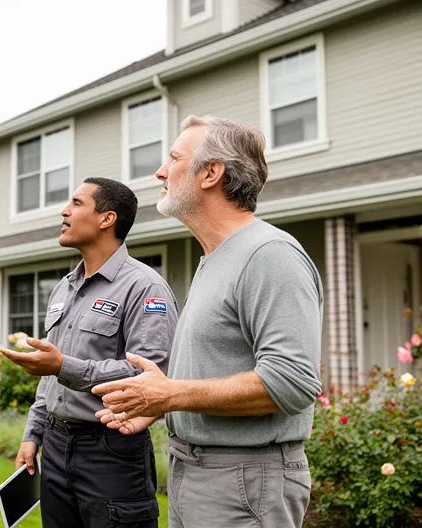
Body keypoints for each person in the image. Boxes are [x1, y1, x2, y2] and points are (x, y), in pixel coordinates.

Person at [91, 116, 323, 528]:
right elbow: (221, 366)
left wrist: (172, 395)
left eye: (175, 158)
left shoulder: (269, 254)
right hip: (197, 471)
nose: (160, 171)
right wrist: (163, 406)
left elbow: (291, 382)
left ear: (211, 173)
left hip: (244, 481)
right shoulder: (216, 259)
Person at [0, 177, 179, 528]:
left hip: (111, 449)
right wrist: (32, 434)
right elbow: (51, 377)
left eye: (77, 203)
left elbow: (149, 375)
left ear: (106, 219)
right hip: (54, 444)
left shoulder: (145, 287)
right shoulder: (64, 289)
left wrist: (64, 366)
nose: (64, 211)